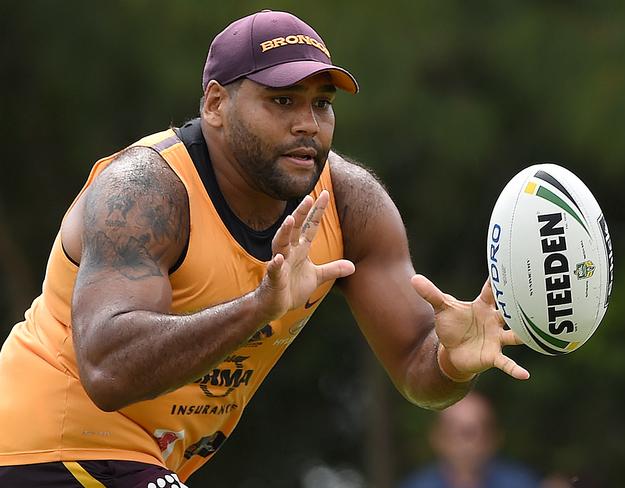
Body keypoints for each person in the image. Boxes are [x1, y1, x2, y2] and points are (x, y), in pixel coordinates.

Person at [0, 9, 529, 488]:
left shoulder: (350, 204)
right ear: (215, 105)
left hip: (144, 464)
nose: (308, 123)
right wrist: (259, 307)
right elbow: (107, 371)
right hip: (47, 447)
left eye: (322, 104)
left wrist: (453, 364)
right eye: (282, 101)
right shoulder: (144, 192)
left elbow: (417, 368)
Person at [400, 392, 539, 488]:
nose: (467, 442)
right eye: (455, 431)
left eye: (475, 431)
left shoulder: (521, 483)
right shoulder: (417, 485)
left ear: (495, 437)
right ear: (437, 438)